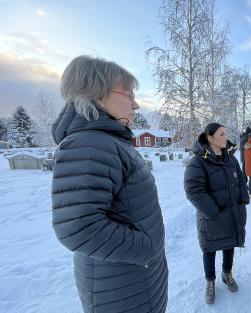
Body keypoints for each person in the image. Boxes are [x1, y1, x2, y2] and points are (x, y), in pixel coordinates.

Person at [51, 55, 168, 313]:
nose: (136, 105)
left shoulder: (109, 142)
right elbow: (79, 228)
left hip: (131, 280)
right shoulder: (89, 144)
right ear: (98, 94)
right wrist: (147, 249)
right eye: (128, 94)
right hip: (120, 288)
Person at [184, 123, 249, 304]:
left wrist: (242, 201)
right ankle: (210, 281)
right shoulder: (198, 161)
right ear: (210, 137)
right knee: (210, 248)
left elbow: (242, 181)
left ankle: (227, 274)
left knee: (230, 244)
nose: (225, 137)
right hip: (211, 216)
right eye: (221, 134)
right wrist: (214, 212)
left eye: (226, 133)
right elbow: (193, 191)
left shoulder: (230, 158)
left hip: (232, 212)